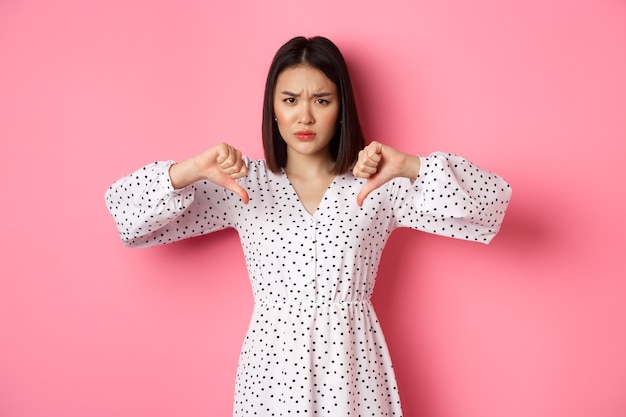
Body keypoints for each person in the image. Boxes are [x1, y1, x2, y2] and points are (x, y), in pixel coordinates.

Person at [105, 36, 511, 416]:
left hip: (353, 370)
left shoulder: (378, 183)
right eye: (290, 99)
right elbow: (128, 219)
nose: (305, 115)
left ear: (341, 109)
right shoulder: (244, 183)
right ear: (273, 109)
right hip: (271, 373)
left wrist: (410, 166)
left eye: (321, 99)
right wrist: (190, 170)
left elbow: (489, 206)